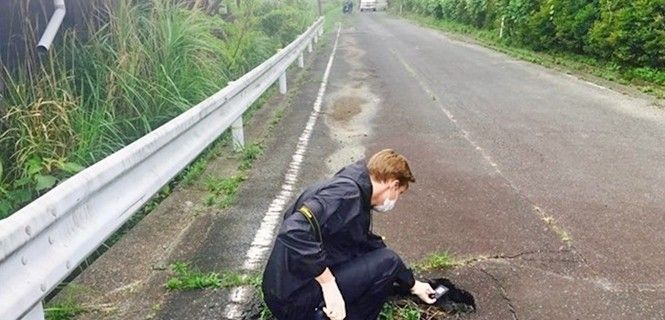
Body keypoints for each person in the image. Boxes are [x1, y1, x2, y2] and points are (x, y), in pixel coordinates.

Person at [262, 149, 436, 320]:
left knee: (381, 256)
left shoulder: (354, 190)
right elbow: (293, 228)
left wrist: (413, 285)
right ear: (394, 184)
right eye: (399, 193)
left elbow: (366, 243)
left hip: (280, 290)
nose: (396, 199)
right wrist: (328, 284)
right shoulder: (346, 193)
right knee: (388, 261)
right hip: (292, 300)